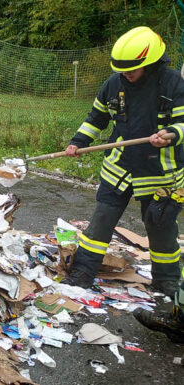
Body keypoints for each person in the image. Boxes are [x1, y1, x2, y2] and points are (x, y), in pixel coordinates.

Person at [60, 26, 184, 340]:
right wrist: (77, 141)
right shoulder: (114, 84)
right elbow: (96, 118)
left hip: (161, 174)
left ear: (152, 61)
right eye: (122, 71)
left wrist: (172, 134)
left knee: (161, 229)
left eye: (133, 70)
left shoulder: (173, 84)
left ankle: (167, 284)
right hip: (121, 166)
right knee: (100, 222)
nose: (126, 75)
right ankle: (83, 273)